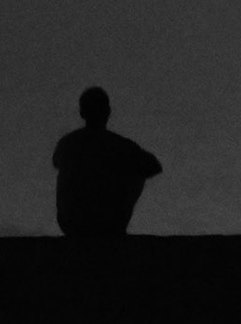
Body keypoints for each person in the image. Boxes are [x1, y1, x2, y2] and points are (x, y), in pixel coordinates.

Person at [53, 86, 163, 237]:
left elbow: (56, 161)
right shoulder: (120, 146)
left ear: (82, 113)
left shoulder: (68, 142)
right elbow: (153, 166)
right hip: (105, 221)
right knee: (135, 168)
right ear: (108, 112)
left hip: (72, 222)